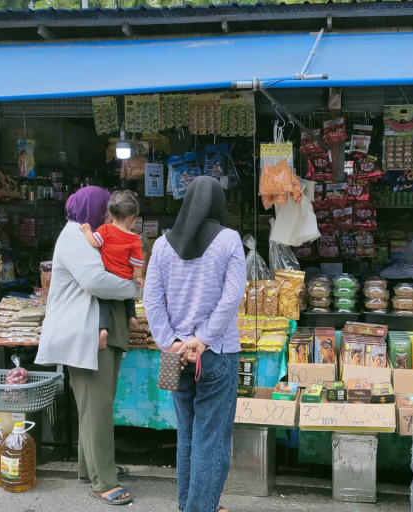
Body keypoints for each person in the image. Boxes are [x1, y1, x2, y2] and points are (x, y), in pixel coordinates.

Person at [144, 176, 245, 512]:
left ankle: (189, 505)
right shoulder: (229, 240)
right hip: (215, 353)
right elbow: (232, 298)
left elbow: (151, 300)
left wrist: (171, 341)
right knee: (211, 439)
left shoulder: (162, 245)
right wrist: (202, 340)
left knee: (187, 435)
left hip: (177, 356)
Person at [35, 186, 138, 506]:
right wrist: (134, 287)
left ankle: (89, 468)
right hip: (86, 332)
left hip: (93, 330)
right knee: (97, 408)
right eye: (105, 210)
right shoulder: (76, 238)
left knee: (94, 406)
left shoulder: (88, 236)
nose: (109, 216)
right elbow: (97, 282)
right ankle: (103, 481)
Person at [79, 189, 144, 341]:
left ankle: (103, 328)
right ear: (132, 218)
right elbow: (137, 261)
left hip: (108, 273)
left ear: (111, 213)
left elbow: (95, 242)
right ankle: (131, 316)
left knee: (103, 299)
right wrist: (139, 276)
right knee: (129, 296)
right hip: (125, 276)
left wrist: (87, 231)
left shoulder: (105, 229)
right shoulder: (134, 238)